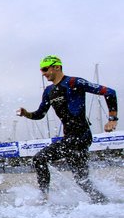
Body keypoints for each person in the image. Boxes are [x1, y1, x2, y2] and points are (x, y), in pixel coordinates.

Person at [18, 55, 117, 203]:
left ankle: (44, 198)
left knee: (39, 158)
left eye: (45, 69)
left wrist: (112, 119)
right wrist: (27, 114)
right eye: (41, 70)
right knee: (82, 180)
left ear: (57, 67)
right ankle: (104, 203)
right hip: (69, 137)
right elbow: (40, 114)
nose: (43, 73)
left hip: (81, 136)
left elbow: (109, 92)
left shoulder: (74, 82)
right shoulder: (49, 91)